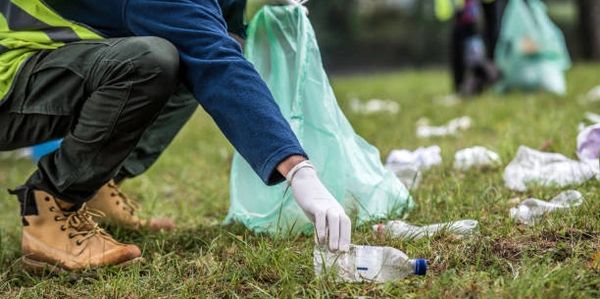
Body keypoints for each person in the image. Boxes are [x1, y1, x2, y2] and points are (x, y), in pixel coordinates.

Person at [0, 0, 351, 273]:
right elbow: (216, 62)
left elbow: (218, 46)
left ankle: (95, 186)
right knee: (152, 61)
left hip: (43, 64)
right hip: (9, 74)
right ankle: (52, 205)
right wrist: (298, 169)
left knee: (191, 54)